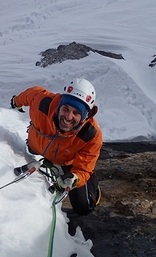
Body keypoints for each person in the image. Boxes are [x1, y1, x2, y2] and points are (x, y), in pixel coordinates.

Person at [10, 78, 102, 215]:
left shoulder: (90, 134)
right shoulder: (43, 102)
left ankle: (92, 186)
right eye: (65, 109)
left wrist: (75, 178)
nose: (68, 117)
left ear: (85, 115)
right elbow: (29, 94)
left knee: (84, 207)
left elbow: (83, 168)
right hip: (36, 148)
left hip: (67, 161)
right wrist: (16, 102)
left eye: (76, 113)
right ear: (59, 104)